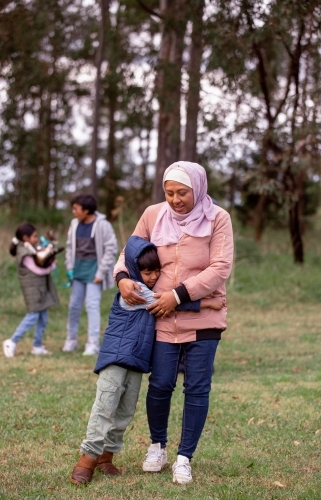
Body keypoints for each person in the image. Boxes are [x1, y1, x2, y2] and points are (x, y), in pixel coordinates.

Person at [114, 161, 234, 484]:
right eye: (169, 193)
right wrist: (122, 278)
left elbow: (220, 268)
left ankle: (185, 457)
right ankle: (158, 446)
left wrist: (178, 295)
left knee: (197, 386)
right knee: (161, 383)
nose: (175, 199)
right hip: (163, 318)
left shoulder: (217, 219)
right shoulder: (153, 215)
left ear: (198, 188)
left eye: (183, 193)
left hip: (204, 316)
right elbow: (129, 252)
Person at [69, 235, 200, 486]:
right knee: (105, 407)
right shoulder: (135, 290)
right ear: (133, 269)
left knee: (125, 412)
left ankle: (106, 457)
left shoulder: (144, 287)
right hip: (116, 360)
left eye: (156, 271)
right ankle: (87, 459)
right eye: (146, 271)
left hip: (136, 363)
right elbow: (166, 303)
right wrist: (207, 302)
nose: (151, 277)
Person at [62, 194, 118, 355]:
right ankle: (71, 340)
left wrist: (101, 272)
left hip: (94, 273)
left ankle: (93, 343)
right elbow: (69, 246)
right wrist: (69, 267)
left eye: (76, 209)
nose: (74, 212)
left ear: (86, 210)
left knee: (92, 305)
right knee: (74, 306)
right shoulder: (74, 224)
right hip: (77, 272)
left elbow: (111, 249)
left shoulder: (103, 225)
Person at [3, 223, 59, 357]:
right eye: (34, 236)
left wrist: (50, 245)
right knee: (33, 316)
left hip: (39, 288)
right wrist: (52, 266)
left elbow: (41, 251)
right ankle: (11, 341)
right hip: (33, 290)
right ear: (25, 237)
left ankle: (37, 346)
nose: (36, 238)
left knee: (43, 318)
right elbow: (38, 270)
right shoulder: (24, 253)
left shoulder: (29, 247)